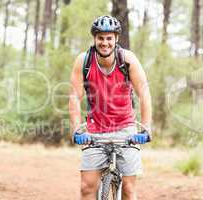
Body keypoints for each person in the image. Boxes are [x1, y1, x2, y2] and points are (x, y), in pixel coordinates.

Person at [69, 15, 152, 200]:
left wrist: (146, 129)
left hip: (126, 130)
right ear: (94, 39)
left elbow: (144, 94)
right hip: (95, 131)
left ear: (116, 39)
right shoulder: (84, 61)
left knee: (129, 190)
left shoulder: (127, 60)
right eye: (100, 38)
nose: (104, 43)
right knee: (86, 187)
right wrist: (76, 130)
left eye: (109, 38)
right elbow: (74, 97)